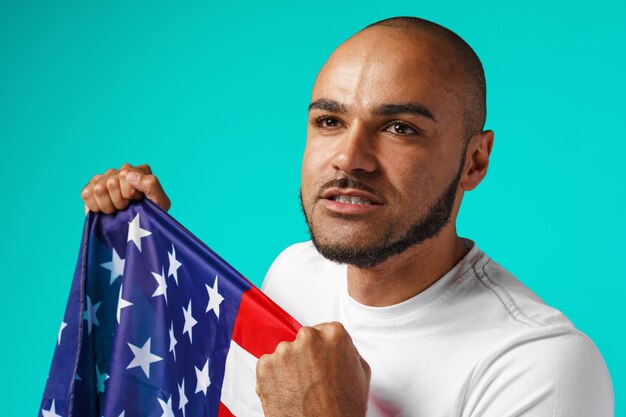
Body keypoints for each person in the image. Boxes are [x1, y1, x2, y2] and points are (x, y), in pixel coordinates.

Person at [80, 16, 613, 417]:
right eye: (330, 121)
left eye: (400, 127)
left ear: (474, 161)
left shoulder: (540, 365)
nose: (349, 158)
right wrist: (158, 252)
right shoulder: (293, 273)